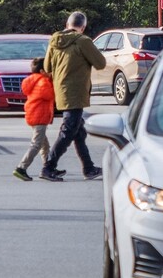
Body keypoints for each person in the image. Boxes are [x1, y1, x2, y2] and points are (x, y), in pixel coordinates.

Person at [40, 11, 106, 181]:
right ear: (82, 27)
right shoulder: (83, 41)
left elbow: (47, 67)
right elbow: (101, 63)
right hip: (76, 92)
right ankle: (48, 167)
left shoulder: (54, 40)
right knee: (68, 131)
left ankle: (89, 168)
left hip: (61, 90)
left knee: (78, 132)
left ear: (67, 24)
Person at [13, 58, 54, 182]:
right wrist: (52, 80)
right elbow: (50, 95)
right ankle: (21, 167)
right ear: (42, 71)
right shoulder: (43, 81)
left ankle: (48, 166)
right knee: (36, 144)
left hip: (33, 115)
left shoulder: (32, 80)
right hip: (39, 116)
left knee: (44, 144)